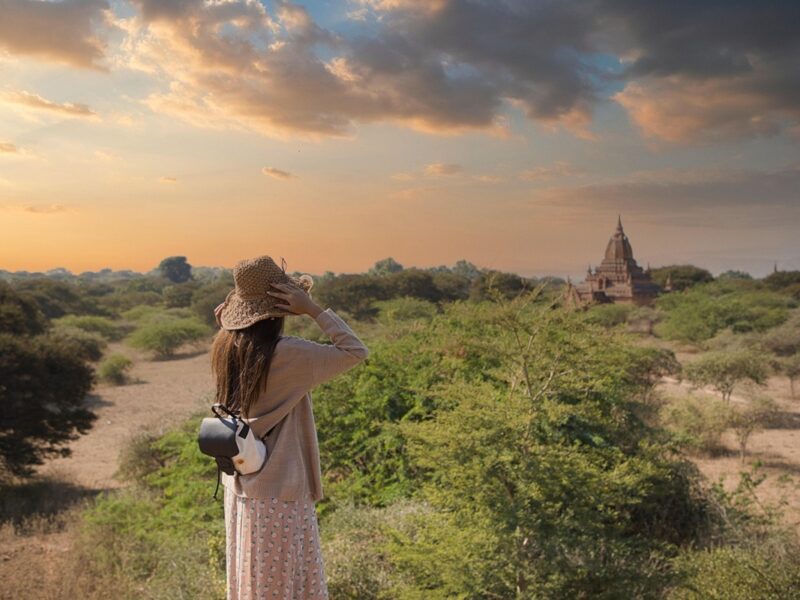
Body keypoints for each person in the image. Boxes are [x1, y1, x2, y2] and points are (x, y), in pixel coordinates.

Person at [210, 255, 370, 599]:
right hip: (279, 491)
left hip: (239, 484)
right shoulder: (289, 354)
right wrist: (313, 309)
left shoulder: (226, 346)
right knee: (285, 586)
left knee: (252, 582)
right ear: (280, 309)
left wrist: (226, 325)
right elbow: (355, 350)